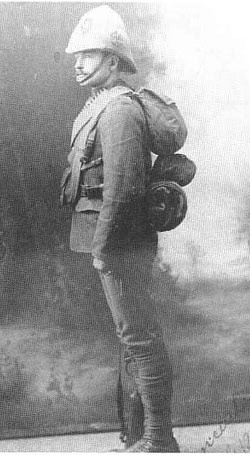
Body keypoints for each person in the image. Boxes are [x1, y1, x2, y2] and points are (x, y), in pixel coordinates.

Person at [62, 5, 187, 452]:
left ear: (113, 62)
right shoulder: (102, 106)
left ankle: (158, 439)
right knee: (129, 337)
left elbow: (124, 189)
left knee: (139, 337)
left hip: (120, 243)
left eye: (89, 55)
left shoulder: (118, 111)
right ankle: (138, 436)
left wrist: (103, 247)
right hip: (112, 242)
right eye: (76, 56)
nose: (77, 63)